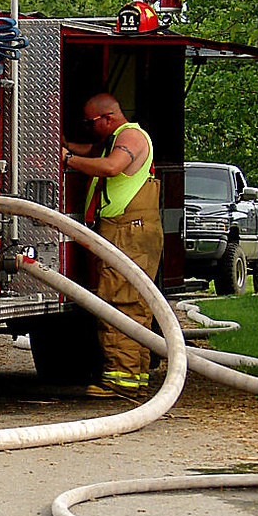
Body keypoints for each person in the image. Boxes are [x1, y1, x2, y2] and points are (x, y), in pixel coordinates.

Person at [62, 92, 164, 399]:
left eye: (92, 122)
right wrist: (64, 147)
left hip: (127, 232)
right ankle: (134, 377)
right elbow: (94, 151)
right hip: (126, 231)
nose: (90, 128)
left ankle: (121, 381)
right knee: (134, 304)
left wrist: (68, 160)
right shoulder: (116, 138)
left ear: (108, 118)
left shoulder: (130, 137)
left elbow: (110, 167)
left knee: (121, 304)